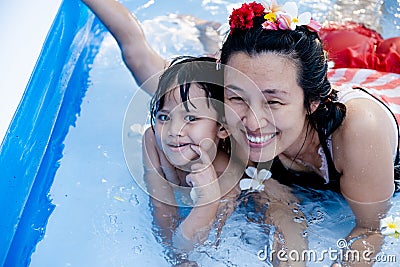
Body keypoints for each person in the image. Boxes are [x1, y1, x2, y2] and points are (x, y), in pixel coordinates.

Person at [82, 0, 400, 266]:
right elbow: (139, 55)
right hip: (285, 69)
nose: (252, 120)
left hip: (372, 64)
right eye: (237, 96)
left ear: (312, 102)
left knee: (357, 27)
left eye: (271, 102)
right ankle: (211, 35)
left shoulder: (358, 133)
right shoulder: (211, 105)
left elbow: (370, 228)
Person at [142, 55, 243, 257]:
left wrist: (208, 200)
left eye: (191, 118)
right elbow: (162, 213)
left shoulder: (228, 175)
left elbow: (195, 247)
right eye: (164, 116)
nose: (174, 130)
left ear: (222, 127)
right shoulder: (153, 141)